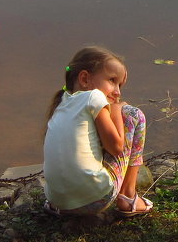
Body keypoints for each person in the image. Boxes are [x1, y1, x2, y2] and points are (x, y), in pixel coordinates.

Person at [43, 46, 153, 217]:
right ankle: (128, 196)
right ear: (85, 78)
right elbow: (116, 147)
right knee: (133, 114)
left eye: (120, 85)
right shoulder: (94, 96)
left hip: (59, 203)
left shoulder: (61, 105)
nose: (117, 92)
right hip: (96, 198)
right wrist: (116, 110)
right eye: (112, 80)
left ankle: (66, 199)